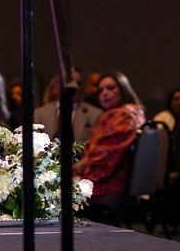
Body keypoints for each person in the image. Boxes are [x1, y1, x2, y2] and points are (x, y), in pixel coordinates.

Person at [73, 71, 146, 211]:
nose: (105, 93)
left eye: (111, 88)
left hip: (110, 183)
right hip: (114, 179)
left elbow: (106, 157)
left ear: (123, 89)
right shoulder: (131, 112)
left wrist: (81, 168)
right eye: (100, 90)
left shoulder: (124, 117)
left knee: (51, 191)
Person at [34, 70, 103, 144]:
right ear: (55, 85)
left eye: (78, 83)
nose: (73, 87)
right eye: (67, 82)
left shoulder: (95, 114)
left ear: (82, 88)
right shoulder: (39, 114)